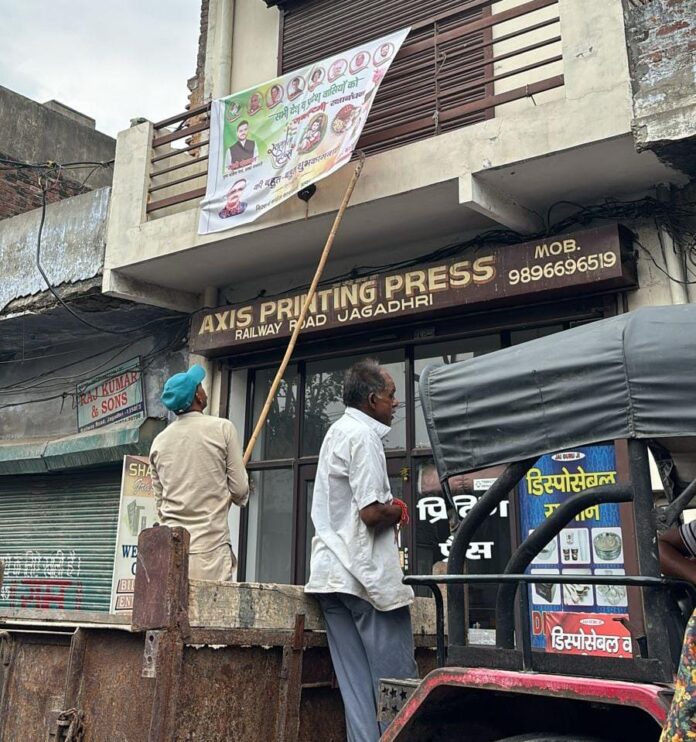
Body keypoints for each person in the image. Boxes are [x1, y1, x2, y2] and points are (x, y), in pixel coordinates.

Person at [305, 359, 417, 742]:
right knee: (397, 690)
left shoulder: (336, 431)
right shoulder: (364, 436)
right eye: (391, 396)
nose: (396, 403)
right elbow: (371, 513)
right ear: (372, 400)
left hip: (331, 580)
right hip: (365, 579)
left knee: (356, 694)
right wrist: (399, 509)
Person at [149, 365, 249, 582]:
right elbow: (240, 490)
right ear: (197, 396)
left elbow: (160, 503)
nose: (204, 390)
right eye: (200, 386)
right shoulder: (223, 428)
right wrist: (233, 496)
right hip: (210, 551)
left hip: (171, 549)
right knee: (210, 615)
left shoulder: (159, 442)